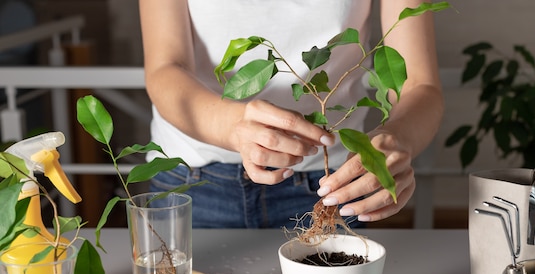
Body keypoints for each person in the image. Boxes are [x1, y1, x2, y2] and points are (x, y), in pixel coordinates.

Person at [139, 0, 444, 228]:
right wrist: (232, 126)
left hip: (332, 182)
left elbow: (420, 84)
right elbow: (165, 68)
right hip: (194, 177)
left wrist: (395, 139)